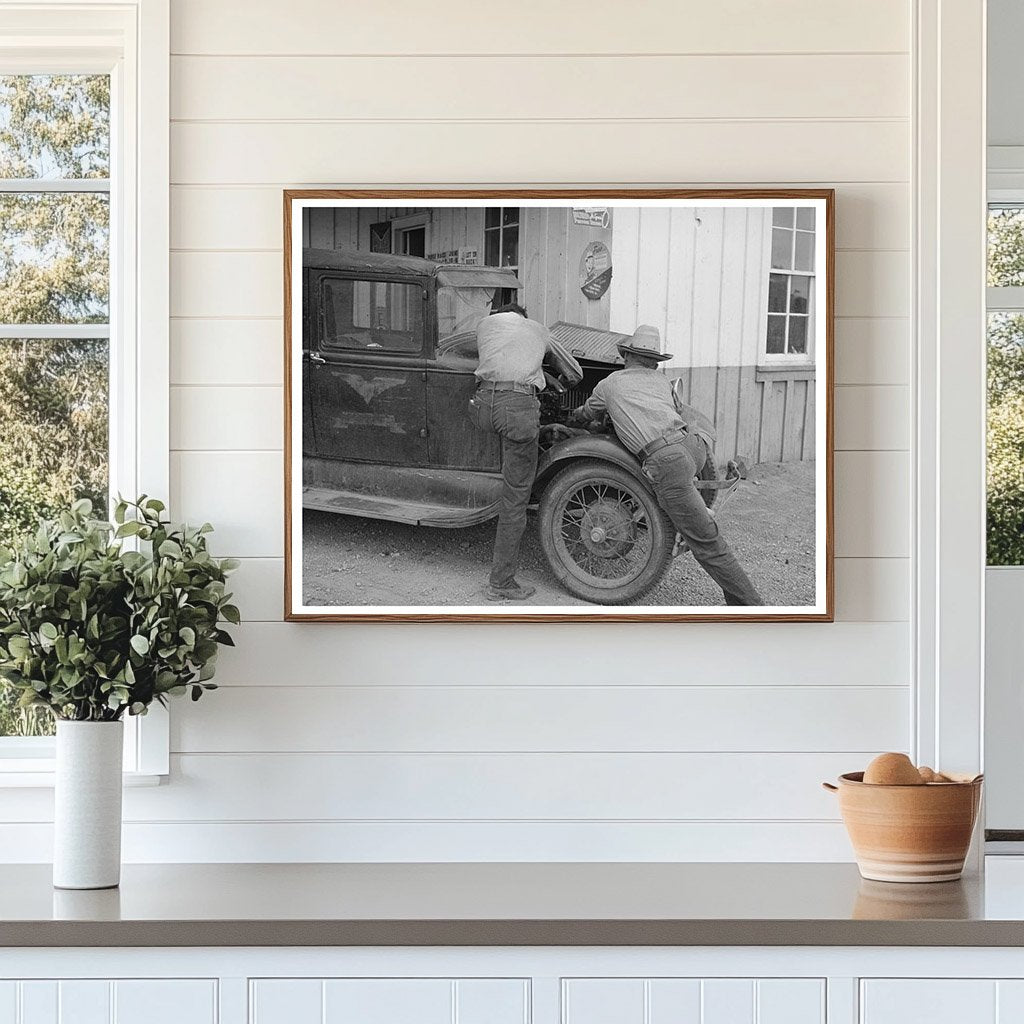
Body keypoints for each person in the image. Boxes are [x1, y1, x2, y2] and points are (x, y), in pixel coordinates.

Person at [570, 325, 763, 606]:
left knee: (707, 542)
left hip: (667, 460)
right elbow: (675, 411)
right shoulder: (662, 382)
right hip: (692, 447)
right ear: (654, 362)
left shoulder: (610, 383)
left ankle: (754, 610)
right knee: (682, 492)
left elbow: (589, 412)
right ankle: (689, 508)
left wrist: (575, 416)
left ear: (627, 357)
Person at [468, 303, 550, 602]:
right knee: (515, 499)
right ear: (522, 318)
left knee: (506, 448)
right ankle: (501, 583)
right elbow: (572, 371)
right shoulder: (536, 329)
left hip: (482, 407)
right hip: (516, 409)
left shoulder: (485, 327)